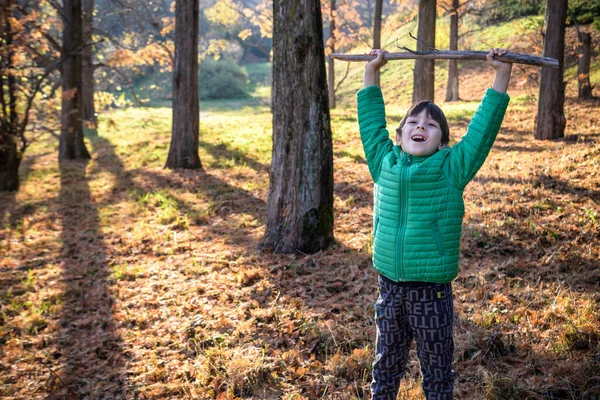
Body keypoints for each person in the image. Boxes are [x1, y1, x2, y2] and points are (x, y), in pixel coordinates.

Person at [357, 48, 512, 399]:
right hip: (389, 287)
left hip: (431, 292)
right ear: (398, 135)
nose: (420, 127)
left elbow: (481, 132)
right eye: (413, 122)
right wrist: (371, 71)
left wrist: (501, 75)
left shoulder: (451, 168)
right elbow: (369, 122)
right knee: (385, 367)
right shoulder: (383, 162)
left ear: (442, 141)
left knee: (437, 371)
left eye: (430, 125)